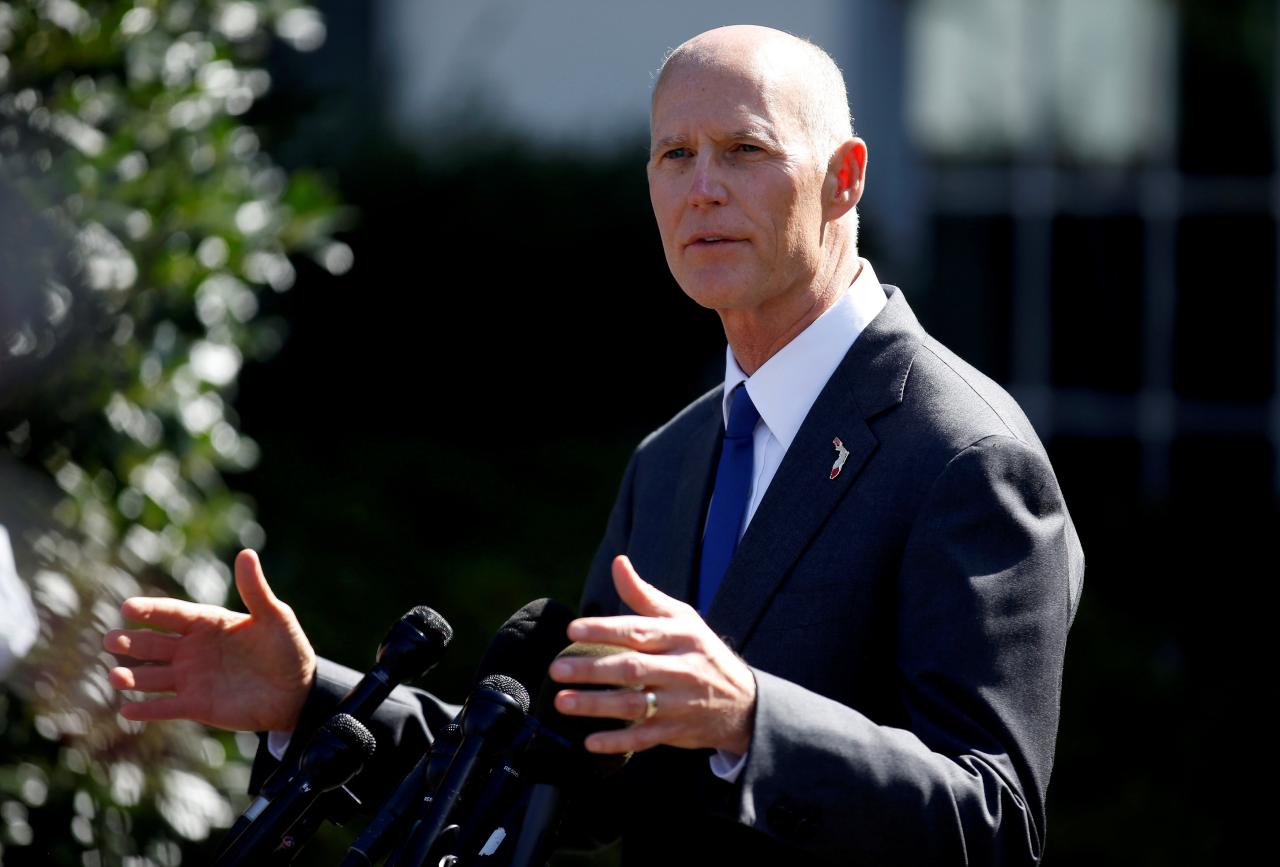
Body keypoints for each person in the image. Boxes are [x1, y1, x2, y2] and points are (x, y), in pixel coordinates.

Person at [104, 25, 1083, 865]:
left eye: (743, 150)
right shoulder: (671, 459)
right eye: (672, 155)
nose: (700, 189)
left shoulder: (959, 452)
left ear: (844, 178)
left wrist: (751, 719)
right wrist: (313, 702)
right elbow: (570, 776)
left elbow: (991, 822)